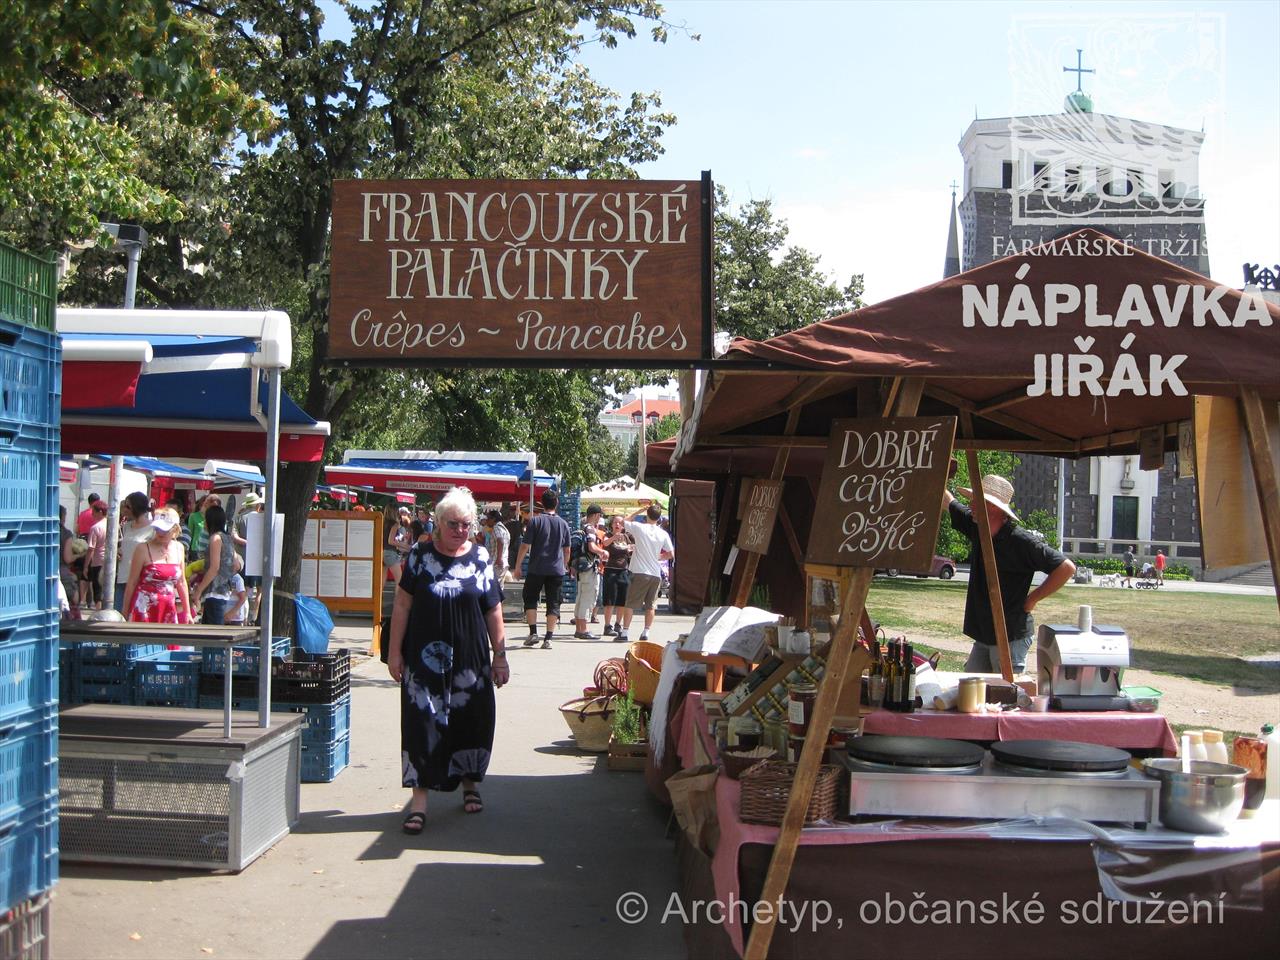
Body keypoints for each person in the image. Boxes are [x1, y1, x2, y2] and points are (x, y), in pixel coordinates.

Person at [386, 486, 508, 834]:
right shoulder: (421, 556)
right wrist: (395, 653)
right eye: (453, 523)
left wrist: (500, 657)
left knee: (473, 720)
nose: (460, 531)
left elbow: (493, 609)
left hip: (471, 660)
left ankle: (469, 783)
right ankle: (420, 802)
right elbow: (403, 606)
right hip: (423, 660)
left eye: (467, 524)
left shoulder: (481, 557)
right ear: (438, 522)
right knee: (421, 724)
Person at [941, 471, 1075, 674]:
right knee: (972, 692)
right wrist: (934, 471)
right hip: (985, 634)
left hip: (1010, 634)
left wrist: (1032, 600)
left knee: (1004, 696)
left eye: (976, 501)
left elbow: (1066, 568)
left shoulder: (1021, 541)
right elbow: (949, 502)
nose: (971, 506)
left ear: (992, 507)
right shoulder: (977, 527)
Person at [515, 489, 572, 649]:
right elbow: (567, 550)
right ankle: (549, 638)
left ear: (542, 503)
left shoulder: (535, 521)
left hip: (536, 568)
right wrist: (564, 565)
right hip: (556, 569)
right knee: (553, 603)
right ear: (557, 503)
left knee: (531, 598)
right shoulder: (563, 524)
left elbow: (525, 545)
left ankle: (533, 632)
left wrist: (518, 566)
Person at [122, 507, 192, 624]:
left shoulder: (179, 548)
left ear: (175, 529)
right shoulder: (142, 548)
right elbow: (132, 582)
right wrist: (124, 612)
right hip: (144, 607)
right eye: (157, 528)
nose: (160, 532)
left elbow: (181, 582)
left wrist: (187, 612)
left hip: (168, 607)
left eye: (165, 529)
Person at [619, 504, 674, 645]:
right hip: (655, 573)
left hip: (639, 571)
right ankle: (646, 631)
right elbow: (671, 554)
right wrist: (658, 557)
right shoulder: (663, 534)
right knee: (651, 605)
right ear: (659, 518)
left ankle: (625, 632)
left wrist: (640, 510)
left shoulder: (639, 527)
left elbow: (624, 521)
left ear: (647, 515)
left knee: (630, 603)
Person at [191, 505, 239, 624]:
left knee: (213, 635)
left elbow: (214, 568)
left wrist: (199, 590)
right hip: (224, 590)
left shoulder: (215, 539)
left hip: (214, 591)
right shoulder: (227, 538)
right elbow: (236, 565)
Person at [571, 504, 608, 640]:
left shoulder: (582, 527)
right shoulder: (591, 529)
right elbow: (592, 547)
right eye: (600, 516)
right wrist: (602, 551)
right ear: (596, 515)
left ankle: (579, 629)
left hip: (581, 568)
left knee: (580, 597)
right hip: (589, 567)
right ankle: (584, 630)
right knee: (588, 597)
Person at [114, 491, 153, 612]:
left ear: (136, 507)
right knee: (119, 613)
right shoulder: (126, 526)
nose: (124, 509)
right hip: (122, 575)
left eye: (127, 506)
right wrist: (118, 551)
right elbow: (125, 546)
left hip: (140, 580)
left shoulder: (152, 528)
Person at [600, 514, 634, 639]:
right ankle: (607, 626)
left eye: (620, 522)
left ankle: (618, 624)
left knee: (622, 601)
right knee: (609, 600)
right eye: (615, 522)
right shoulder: (608, 535)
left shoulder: (627, 537)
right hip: (610, 570)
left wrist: (631, 548)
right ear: (612, 524)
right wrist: (614, 537)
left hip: (624, 570)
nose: (617, 524)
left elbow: (633, 548)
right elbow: (604, 543)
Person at [233, 491, 265, 624]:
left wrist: (246, 543)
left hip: (243, 559)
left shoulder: (239, 518)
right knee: (260, 591)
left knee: (245, 590)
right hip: (261, 559)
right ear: (257, 505)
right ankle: (254, 617)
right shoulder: (263, 518)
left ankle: (244, 618)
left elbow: (234, 537)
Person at [84, 499, 110, 608]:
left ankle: (99, 611)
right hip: (109, 561)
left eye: (93, 512)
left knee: (98, 590)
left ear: (100, 512)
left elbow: (91, 549)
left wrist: (86, 566)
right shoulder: (112, 526)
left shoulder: (95, 528)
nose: (92, 514)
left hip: (97, 562)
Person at [384, 505, 412, 585]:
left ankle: (379, 597)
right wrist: (406, 546)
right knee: (399, 580)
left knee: (382, 578)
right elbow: (390, 541)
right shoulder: (394, 524)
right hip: (390, 552)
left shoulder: (381, 521)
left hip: (381, 552)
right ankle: (397, 597)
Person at [484, 510, 511, 582]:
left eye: (488, 518)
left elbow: (500, 541)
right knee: (499, 587)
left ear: (493, 519)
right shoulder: (505, 529)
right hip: (504, 562)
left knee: (493, 586)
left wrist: (499, 559)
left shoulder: (496, 527)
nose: (486, 521)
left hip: (497, 563)